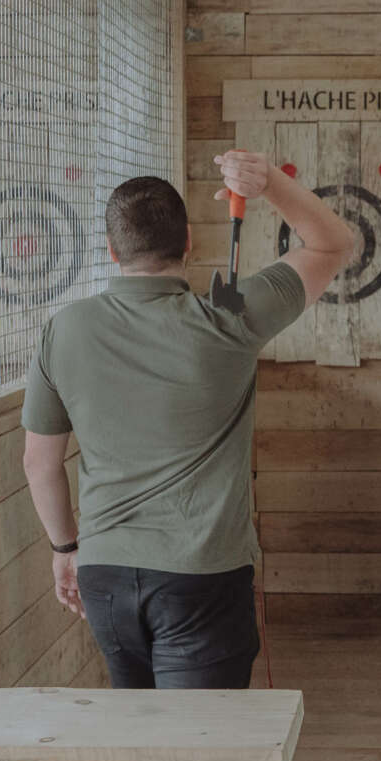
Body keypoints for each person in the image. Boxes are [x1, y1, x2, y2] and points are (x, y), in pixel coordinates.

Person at [21, 154, 357, 689]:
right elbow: (332, 243)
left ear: (112, 251)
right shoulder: (230, 313)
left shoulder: (65, 328)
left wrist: (65, 550)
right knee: (200, 748)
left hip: (104, 575)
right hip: (200, 577)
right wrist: (267, 183)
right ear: (190, 242)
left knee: (142, 740)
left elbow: (40, 463)